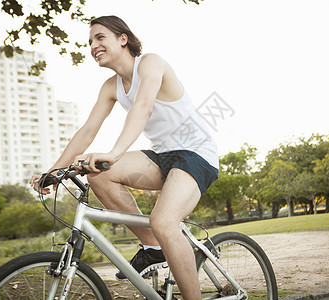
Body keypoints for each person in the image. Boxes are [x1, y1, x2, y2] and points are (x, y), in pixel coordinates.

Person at [30, 15, 218, 299]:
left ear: (123, 38)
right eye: (90, 41)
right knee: (98, 175)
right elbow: (88, 130)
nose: (93, 45)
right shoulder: (110, 86)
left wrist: (115, 153)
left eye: (100, 37)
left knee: (164, 221)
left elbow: (142, 107)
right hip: (161, 156)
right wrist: (54, 172)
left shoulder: (151, 62)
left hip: (196, 154)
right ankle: (153, 247)